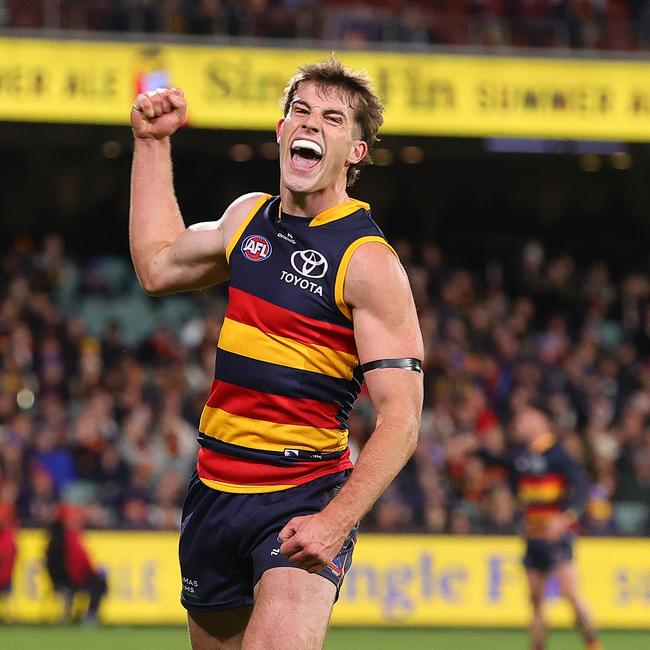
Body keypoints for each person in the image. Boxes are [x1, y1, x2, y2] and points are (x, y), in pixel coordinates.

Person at [129, 58, 424, 649]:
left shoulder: (368, 261)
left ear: (355, 152)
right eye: (301, 111)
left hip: (302, 492)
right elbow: (158, 266)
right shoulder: (247, 219)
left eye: (332, 118)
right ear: (282, 129)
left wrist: (334, 522)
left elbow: (402, 419)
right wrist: (152, 144)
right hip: (215, 491)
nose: (311, 124)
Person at [468, 405, 601, 650]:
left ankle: (593, 644)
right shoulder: (524, 456)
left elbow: (581, 490)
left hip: (556, 537)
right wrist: (475, 446)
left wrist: (564, 518)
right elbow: (497, 460)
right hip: (532, 536)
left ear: (541, 420)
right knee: (536, 600)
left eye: (525, 417)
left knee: (571, 595)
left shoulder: (559, 454)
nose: (519, 422)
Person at [44, 503, 108, 624]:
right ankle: (90, 616)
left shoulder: (54, 537)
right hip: (73, 579)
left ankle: (76, 614)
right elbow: (82, 561)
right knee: (99, 583)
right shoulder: (70, 537)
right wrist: (92, 572)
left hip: (60, 579)